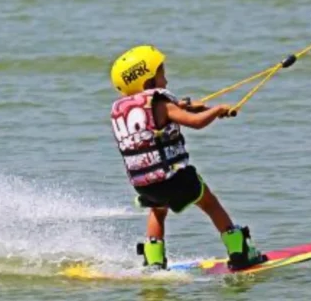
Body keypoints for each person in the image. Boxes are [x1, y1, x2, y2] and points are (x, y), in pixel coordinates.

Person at [108, 45, 266, 271]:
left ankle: (154, 261)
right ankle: (239, 253)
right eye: (162, 74)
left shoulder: (126, 108)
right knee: (210, 203)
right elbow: (196, 123)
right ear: (148, 83)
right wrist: (217, 110)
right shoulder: (161, 103)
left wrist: (182, 106)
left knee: (157, 211)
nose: (167, 80)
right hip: (174, 178)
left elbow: (153, 121)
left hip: (145, 184)